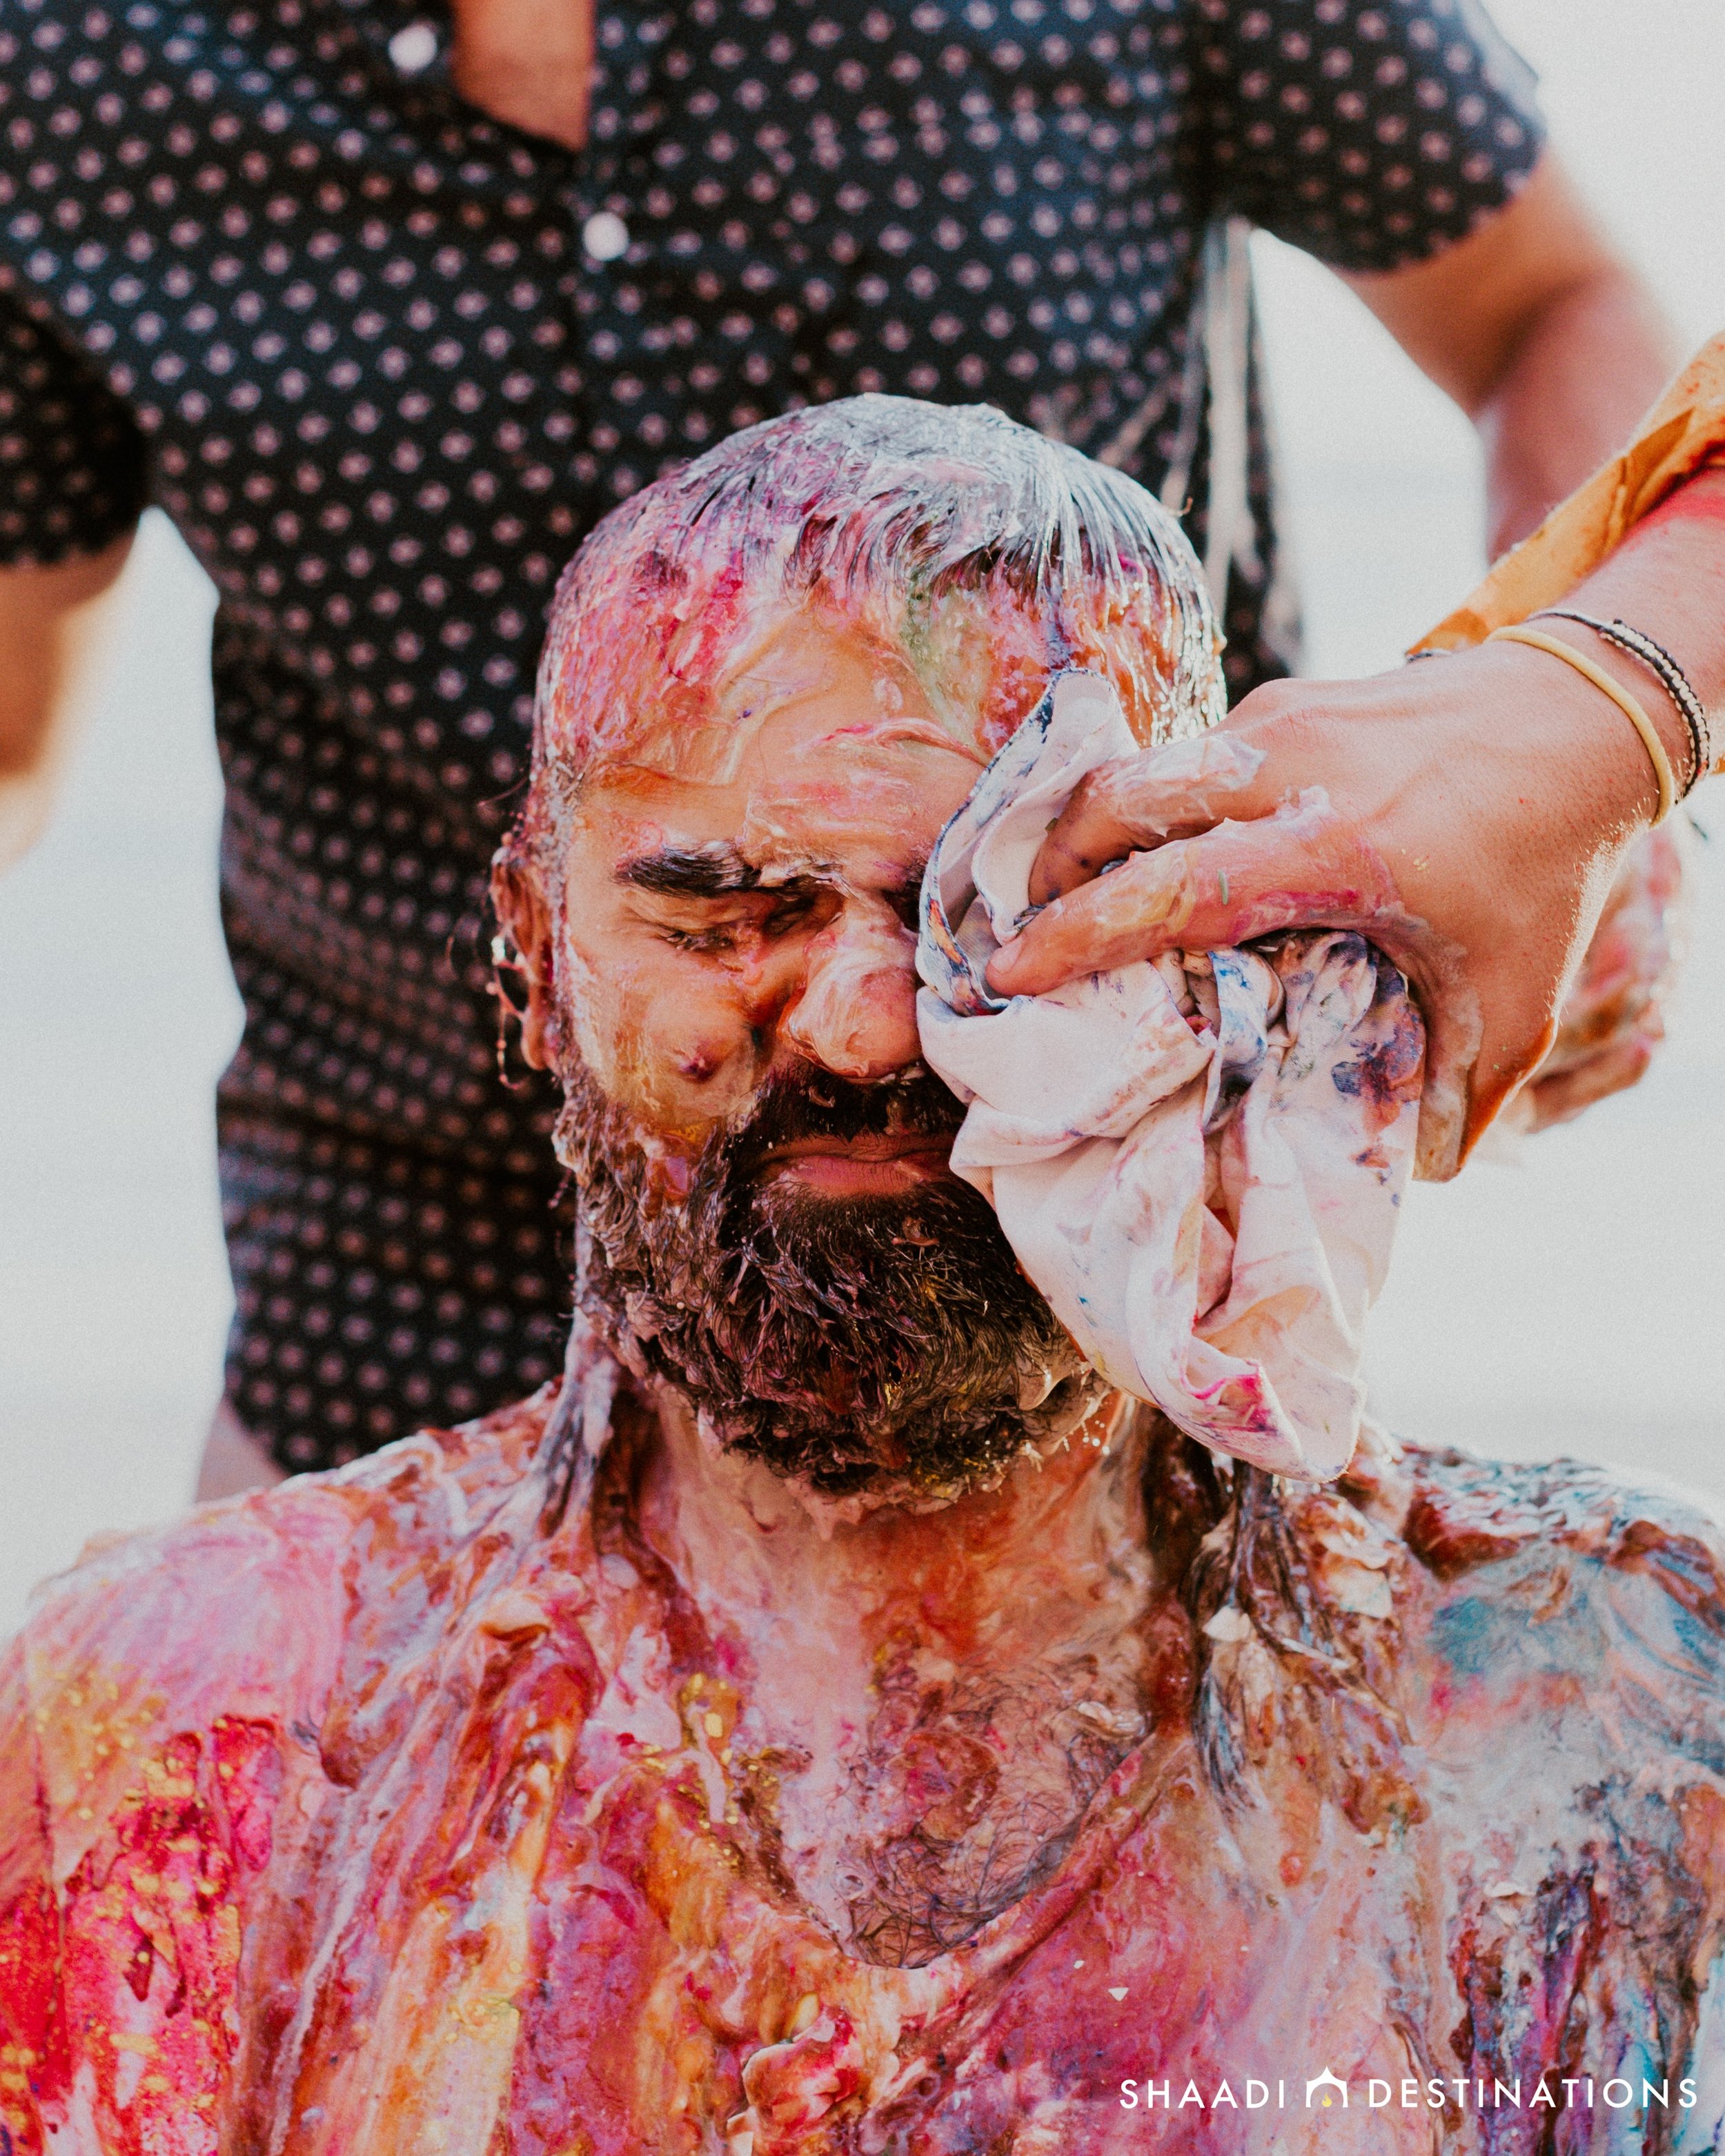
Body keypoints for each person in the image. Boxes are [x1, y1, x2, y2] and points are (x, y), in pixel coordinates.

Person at [3, 402, 1719, 2155]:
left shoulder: (1605, 1727)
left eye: (997, 907)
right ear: (534, 957)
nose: (864, 1021)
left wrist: (1614, 699)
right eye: (721, 913)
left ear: (1226, 944)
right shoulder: (187, 1727)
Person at [0, 0, 1685, 1493]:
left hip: (1087, 1209)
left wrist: (1547, 756)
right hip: (407, 1261)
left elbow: (1548, 297)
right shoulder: (70, 68)